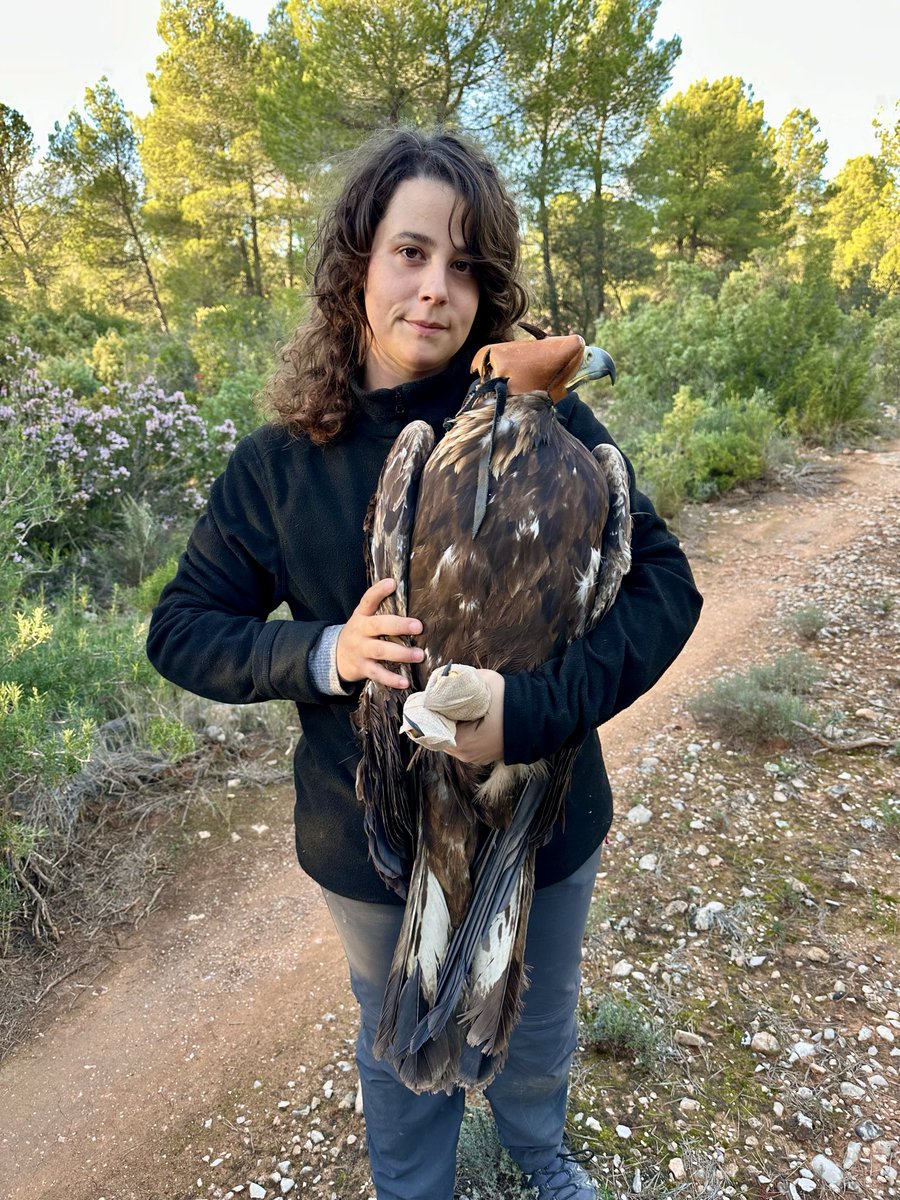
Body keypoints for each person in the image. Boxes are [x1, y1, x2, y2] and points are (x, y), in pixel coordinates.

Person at [147, 127, 702, 1200]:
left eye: (465, 267)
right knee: (401, 1039)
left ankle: (539, 1151)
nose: (435, 290)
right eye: (410, 253)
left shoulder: (541, 419)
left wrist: (532, 713)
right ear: (357, 260)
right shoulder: (277, 466)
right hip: (375, 836)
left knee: (536, 1008)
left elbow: (665, 588)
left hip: (543, 806)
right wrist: (325, 651)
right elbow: (181, 628)